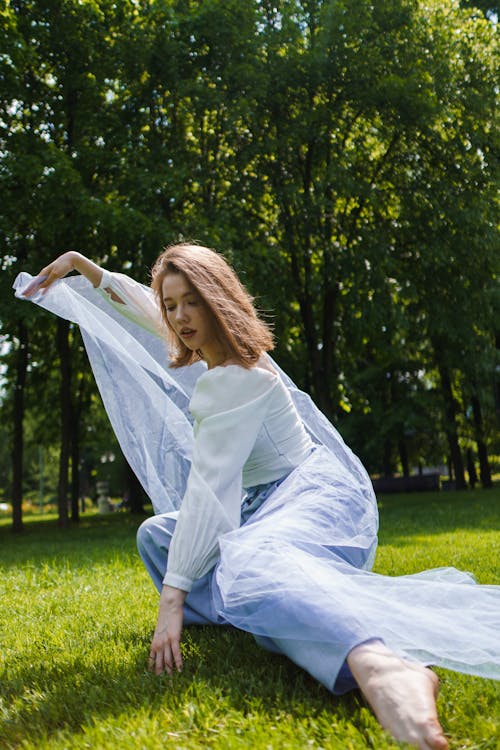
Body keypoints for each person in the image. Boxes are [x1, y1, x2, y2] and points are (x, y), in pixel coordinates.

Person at [17, 245, 500, 750]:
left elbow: (210, 492)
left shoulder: (233, 379)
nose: (179, 317)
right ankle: (273, 605)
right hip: (266, 505)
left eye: (192, 303)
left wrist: (172, 599)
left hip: (316, 502)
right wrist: (83, 268)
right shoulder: (218, 349)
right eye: (172, 304)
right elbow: (144, 306)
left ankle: (378, 663)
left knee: (246, 563)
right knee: (157, 537)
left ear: (217, 301)